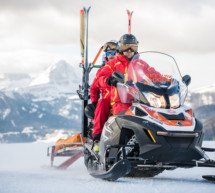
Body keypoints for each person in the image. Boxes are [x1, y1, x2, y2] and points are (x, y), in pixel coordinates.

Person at [90, 40, 118, 142]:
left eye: (113, 53)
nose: (111, 55)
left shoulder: (124, 66)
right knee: (102, 103)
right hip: (108, 101)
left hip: (124, 98)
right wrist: (94, 102)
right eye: (108, 53)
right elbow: (94, 88)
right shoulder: (102, 70)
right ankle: (97, 137)